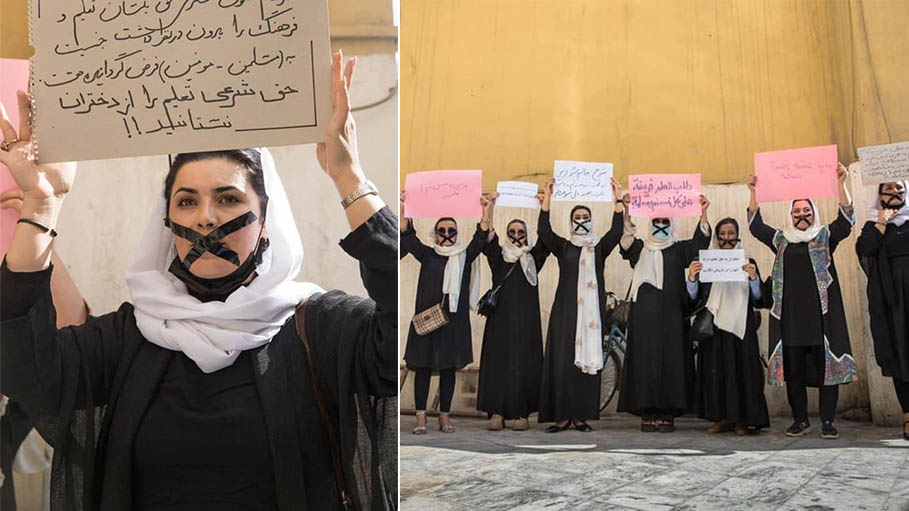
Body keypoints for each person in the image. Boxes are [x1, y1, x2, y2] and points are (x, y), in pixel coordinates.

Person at [0, 51, 398, 511]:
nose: (206, 218)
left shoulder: (324, 329)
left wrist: (350, 177)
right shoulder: (132, 335)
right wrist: (41, 206)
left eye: (228, 198)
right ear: (167, 221)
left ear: (266, 221)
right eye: (187, 202)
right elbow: (22, 365)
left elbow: (394, 329)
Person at [747, 163, 856, 440]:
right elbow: (756, 226)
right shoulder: (781, 240)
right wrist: (754, 192)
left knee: (826, 373)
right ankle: (800, 421)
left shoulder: (824, 236)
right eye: (797, 212)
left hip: (822, 321)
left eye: (806, 211)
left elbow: (846, 222)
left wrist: (841, 183)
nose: (802, 216)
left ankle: (828, 421)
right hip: (791, 322)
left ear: (813, 213)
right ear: (791, 216)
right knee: (793, 374)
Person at [617, 193, 712, 432]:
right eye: (656, 222)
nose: (660, 226)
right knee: (644, 363)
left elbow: (700, 242)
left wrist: (703, 212)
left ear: (672, 225)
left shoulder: (679, 250)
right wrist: (627, 211)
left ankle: (668, 412)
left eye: (665, 222)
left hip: (672, 318)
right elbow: (626, 242)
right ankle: (646, 411)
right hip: (643, 320)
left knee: (672, 363)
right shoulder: (640, 248)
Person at [536, 178, 624, 433]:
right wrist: (547, 199)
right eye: (578, 216)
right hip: (565, 312)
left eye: (586, 215)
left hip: (591, 316)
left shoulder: (599, 247)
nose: (582, 219)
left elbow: (616, 233)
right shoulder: (564, 246)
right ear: (572, 221)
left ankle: (581, 416)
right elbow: (544, 232)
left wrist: (617, 199)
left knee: (586, 363)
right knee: (563, 362)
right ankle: (561, 416)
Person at [400, 195, 490, 434]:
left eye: (451, 230)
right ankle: (421, 419)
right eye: (442, 230)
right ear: (435, 233)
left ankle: (444, 417)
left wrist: (485, 211)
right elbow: (408, 237)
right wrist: (404, 208)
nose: (447, 234)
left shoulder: (464, 255)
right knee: (422, 368)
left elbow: (480, 238)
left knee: (449, 369)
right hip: (427, 322)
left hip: (453, 322)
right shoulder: (427, 254)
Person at [687, 217, 770, 435]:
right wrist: (692, 279)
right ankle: (721, 418)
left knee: (743, 372)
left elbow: (759, 299)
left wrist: (753, 278)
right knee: (716, 373)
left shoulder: (748, 260)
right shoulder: (706, 262)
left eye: (731, 234)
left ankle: (743, 420)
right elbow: (695, 300)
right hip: (714, 328)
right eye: (722, 234)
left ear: (737, 235)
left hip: (741, 326)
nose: (726, 239)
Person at [476, 194, 551, 431]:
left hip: (526, 324)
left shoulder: (533, 257)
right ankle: (497, 412)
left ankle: (522, 414)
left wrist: (544, 205)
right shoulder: (499, 257)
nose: (516, 237)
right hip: (500, 322)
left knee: (525, 365)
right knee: (498, 364)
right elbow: (486, 239)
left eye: (521, 232)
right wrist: (489, 210)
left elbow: (546, 239)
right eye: (512, 232)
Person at [855, 180, 909, 440]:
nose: (895, 194)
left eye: (899, 189)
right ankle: (908, 416)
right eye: (889, 190)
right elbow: (865, 249)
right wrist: (882, 221)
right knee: (900, 357)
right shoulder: (872, 226)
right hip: (892, 303)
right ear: (880, 196)